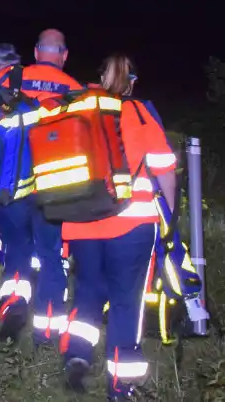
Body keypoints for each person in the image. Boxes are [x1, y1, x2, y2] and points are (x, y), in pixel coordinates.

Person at [57, 54, 177, 399]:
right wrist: (170, 215)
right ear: (132, 82)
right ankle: (121, 385)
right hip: (132, 225)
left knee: (88, 292)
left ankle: (77, 354)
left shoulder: (73, 109)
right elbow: (165, 170)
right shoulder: (138, 114)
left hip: (81, 224)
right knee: (127, 302)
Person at [0, 29, 83, 345]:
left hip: (11, 184)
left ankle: (13, 306)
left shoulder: (11, 79)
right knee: (51, 256)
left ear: (36, 51)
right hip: (54, 189)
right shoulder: (75, 90)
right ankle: (46, 331)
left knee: (16, 249)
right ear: (64, 55)